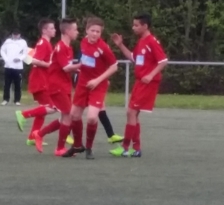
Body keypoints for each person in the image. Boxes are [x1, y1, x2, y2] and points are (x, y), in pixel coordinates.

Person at [110, 13, 168, 158]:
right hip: (140, 82)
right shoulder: (142, 41)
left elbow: (163, 61)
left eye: (136, 25)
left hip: (147, 83)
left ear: (145, 26)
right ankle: (136, 149)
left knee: (131, 112)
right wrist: (120, 45)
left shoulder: (152, 41)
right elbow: (133, 58)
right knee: (132, 114)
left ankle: (125, 148)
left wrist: (151, 75)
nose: (133, 28)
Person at [64, 17, 118, 159]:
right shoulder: (83, 42)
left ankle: (89, 148)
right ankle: (77, 145)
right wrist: (75, 67)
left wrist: (98, 80)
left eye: (98, 32)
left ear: (101, 33)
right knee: (74, 115)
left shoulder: (103, 47)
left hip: (98, 85)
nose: (95, 34)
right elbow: (85, 62)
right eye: (92, 30)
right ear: (87, 30)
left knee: (92, 118)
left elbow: (114, 67)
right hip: (83, 84)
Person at [32, 18, 80, 156]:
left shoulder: (68, 47)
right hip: (57, 86)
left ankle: (40, 134)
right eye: (75, 29)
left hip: (65, 85)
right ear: (67, 31)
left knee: (66, 116)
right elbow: (66, 68)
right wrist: (82, 65)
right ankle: (59, 148)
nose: (77, 32)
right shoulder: (60, 47)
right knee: (68, 115)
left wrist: (80, 70)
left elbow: (67, 68)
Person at [14, 19, 58, 148]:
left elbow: (32, 58)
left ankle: (32, 137)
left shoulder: (45, 43)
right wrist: (50, 65)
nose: (54, 30)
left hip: (42, 79)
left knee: (43, 110)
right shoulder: (43, 43)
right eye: (52, 28)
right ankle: (23, 114)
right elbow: (35, 60)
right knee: (53, 107)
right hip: (40, 80)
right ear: (44, 30)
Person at [0, 31, 27, 105]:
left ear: (20, 35)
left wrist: (19, 59)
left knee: (17, 85)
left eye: (17, 34)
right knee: (7, 84)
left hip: (18, 67)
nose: (15, 36)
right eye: (14, 34)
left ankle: (17, 100)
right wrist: (6, 59)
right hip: (8, 66)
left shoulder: (23, 42)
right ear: (12, 34)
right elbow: (2, 50)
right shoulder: (8, 41)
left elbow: (25, 53)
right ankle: (5, 99)